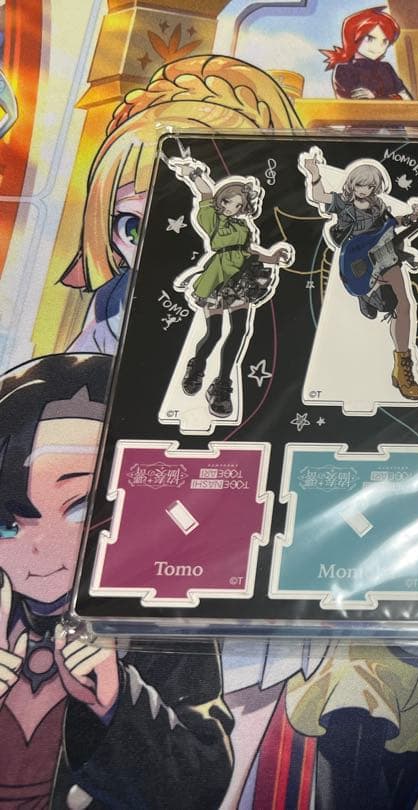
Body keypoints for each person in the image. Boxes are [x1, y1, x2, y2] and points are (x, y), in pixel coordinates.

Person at [0, 353, 234, 808]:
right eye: (8, 524)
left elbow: (199, 786)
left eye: (80, 508)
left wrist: (115, 699)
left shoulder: (162, 617)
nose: (40, 547)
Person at [62, 56, 303, 354]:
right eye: (132, 228)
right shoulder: (116, 299)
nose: (157, 245)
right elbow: (80, 364)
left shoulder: (252, 283)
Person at [301, 149, 418, 401]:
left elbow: (391, 223)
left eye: (370, 186)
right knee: (383, 299)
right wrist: (314, 173)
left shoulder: (378, 205)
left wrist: (413, 217)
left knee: (404, 305)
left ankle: (402, 368)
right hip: (357, 262)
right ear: (353, 184)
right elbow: (318, 196)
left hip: (386, 256)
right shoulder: (343, 203)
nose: (365, 190)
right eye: (361, 185)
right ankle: (367, 295)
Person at [168, 159, 292, 419]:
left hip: (242, 279)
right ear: (221, 200)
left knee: (239, 330)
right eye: (227, 202)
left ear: (243, 207)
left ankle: (222, 384)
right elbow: (205, 193)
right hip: (217, 279)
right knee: (214, 333)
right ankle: (197, 366)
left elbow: (249, 251)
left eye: (237, 205)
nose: (231, 208)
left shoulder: (242, 226)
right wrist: (194, 174)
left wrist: (272, 257)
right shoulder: (212, 219)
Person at [321, 7, 412, 100]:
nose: (378, 47)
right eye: (370, 39)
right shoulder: (343, 69)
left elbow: (407, 98)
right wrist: (391, 98)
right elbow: (350, 104)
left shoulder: (386, 68)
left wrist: (377, 98)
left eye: (385, 41)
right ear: (353, 36)